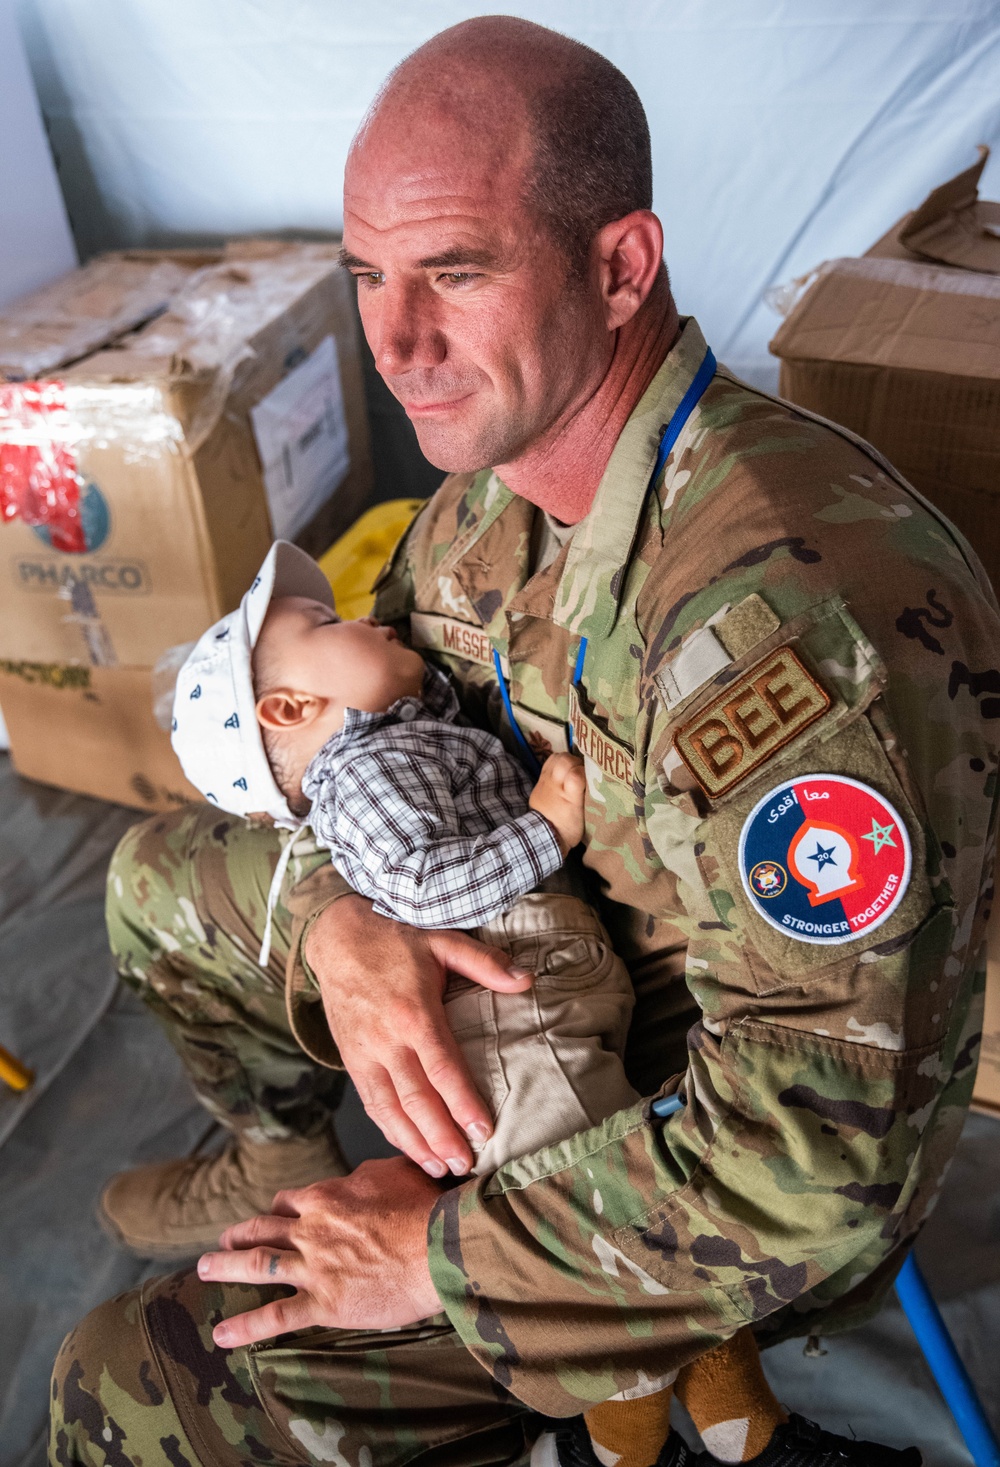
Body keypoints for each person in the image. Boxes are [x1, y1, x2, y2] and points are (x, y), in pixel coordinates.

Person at [50, 16, 999, 1467]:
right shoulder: (489, 494)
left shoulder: (796, 631)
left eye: (455, 272)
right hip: (523, 959)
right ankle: (284, 1159)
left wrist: (439, 1256)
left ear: (620, 267)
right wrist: (339, 925)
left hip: (663, 1132)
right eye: (369, 275)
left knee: (125, 1384)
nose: (394, 340)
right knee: (159, 877)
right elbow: (349, 752)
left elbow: (815, 1170)